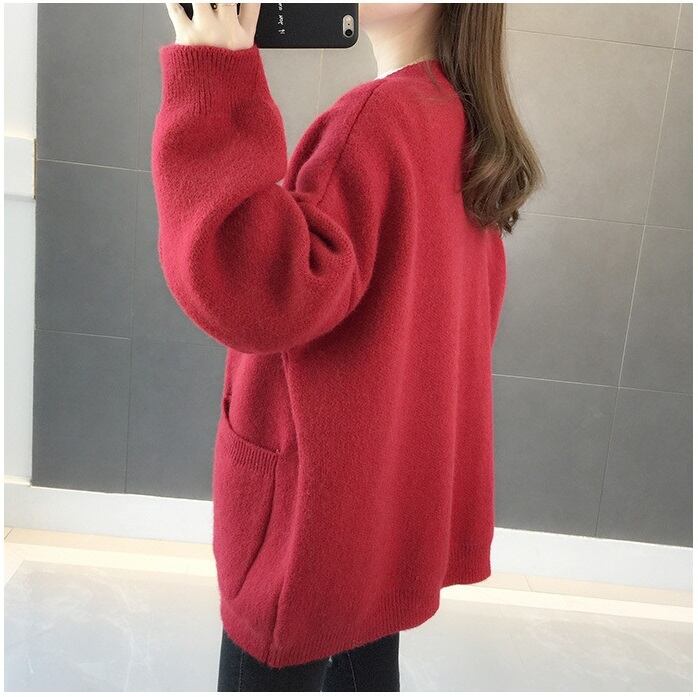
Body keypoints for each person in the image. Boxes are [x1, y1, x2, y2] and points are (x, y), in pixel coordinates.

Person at [152, 2, 543, 691]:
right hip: (378, 508)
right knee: (366, 663)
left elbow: (250, 286)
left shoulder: (377, 120)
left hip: (314, 523)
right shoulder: (455, 120)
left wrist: (214, 76)